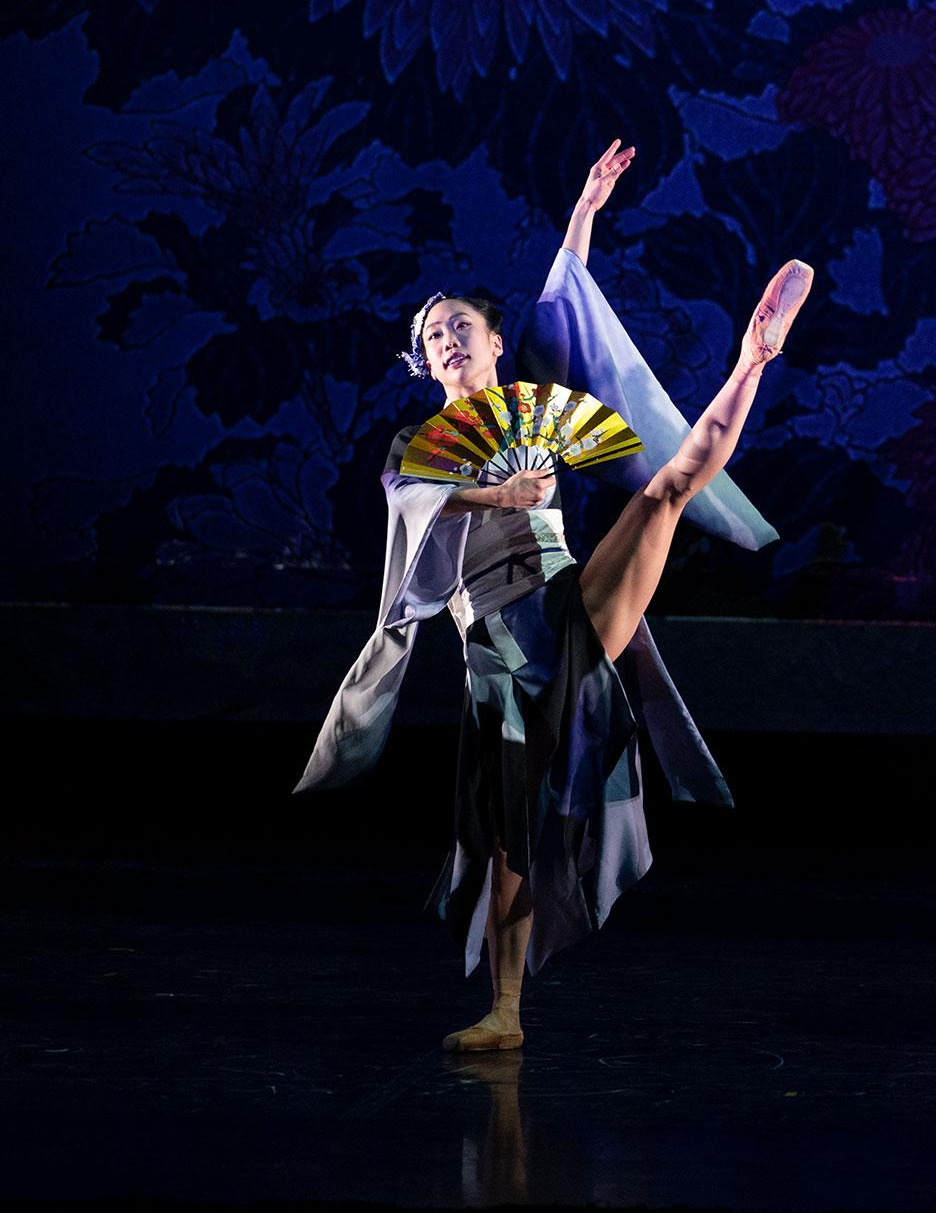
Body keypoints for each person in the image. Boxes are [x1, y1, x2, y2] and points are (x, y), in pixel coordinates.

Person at [298, 140, 813, 1051]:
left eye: (461, 326)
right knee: (505, 841)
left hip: (565, 606)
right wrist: (498, 492)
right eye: (431, 336)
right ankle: (505, 1013)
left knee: (665, 491)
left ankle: (753, 358)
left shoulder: (536, 397)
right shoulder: (417, 447)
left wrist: (583, 211)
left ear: (497, 344)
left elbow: (562, 304)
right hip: (490, 653)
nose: (447, 338)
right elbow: (414, 500)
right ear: (425, 364)